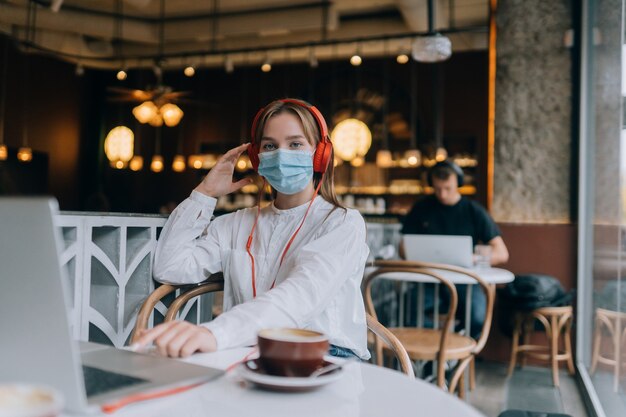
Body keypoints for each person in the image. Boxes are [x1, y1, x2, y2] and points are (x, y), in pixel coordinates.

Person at [132, 98, 370, 360]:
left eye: (295, 144)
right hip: (248, 351)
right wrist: (205, 193)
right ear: (258, 159)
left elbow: (300, 297)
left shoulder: (342, 223)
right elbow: (171, 267)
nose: (281, 154)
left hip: (326, 355)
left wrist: (215, 334)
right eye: (270, 146)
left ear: (320, 154)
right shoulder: (233, 224)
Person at [400, 160, 509, 338]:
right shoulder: (421, 208)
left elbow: (502, 253)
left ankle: (454, 353)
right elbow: (403, 249)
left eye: (448, 188)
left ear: (458, 183)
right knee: (408, 313)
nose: (442, 194)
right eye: (437, 188)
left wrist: (473, 257)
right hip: (428, 280)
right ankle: (433, 355)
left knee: (478, 317)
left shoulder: (474, 211)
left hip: (464, 281)